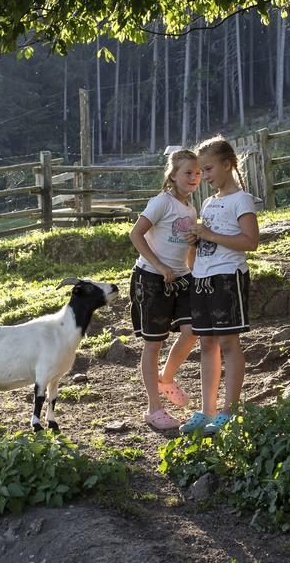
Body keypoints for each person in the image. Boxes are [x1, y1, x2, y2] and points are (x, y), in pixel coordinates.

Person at [181, 135, 259, 435]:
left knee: (228, 343)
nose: (204, 177)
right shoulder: (210, 203)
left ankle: (228, 410)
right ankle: (206, 409)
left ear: (228, 165)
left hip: (228, 277)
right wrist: (195, 240)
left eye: (209, 169)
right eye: (201, 171)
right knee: (207, 344)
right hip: (202, 278)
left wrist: (209, 235)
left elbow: (250, 241)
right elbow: (204, 243)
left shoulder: (242, 200)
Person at [129, 149, 202, 430]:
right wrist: (160, 267)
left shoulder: (191, 208)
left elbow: (189, 248)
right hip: (151, 279)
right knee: (153, 342)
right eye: (188, 173)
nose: (194, 178)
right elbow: (135, 234)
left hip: (182, 279)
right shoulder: (162, 202)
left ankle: (167, 378)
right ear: (173, 175)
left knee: (192, 330)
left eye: (197, 173)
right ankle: (153, 409)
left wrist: (192, 272)